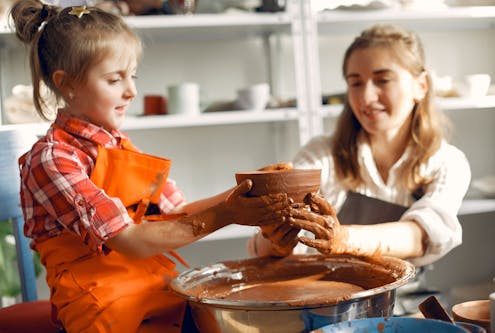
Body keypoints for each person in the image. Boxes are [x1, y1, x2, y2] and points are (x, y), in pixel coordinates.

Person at [10, 1, 296, 332]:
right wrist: (230, 214)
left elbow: (178, 213)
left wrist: (248, 190)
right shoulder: (52, 159)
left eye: (132, 76)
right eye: (115, 79)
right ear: (66, 83)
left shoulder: (118, 144)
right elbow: (129, 239)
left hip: (151, 287)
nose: (131, 91)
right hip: (99, 305)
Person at [249, 24, 471, 280]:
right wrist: (277, 241)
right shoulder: (322, 156)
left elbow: (420, 236)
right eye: (356, 83)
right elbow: (261, 246)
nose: (366, 97)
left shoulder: (446, 162)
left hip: (407, 299)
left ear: (421, 85)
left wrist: (344, 238)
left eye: (383, 80)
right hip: (327, 298)